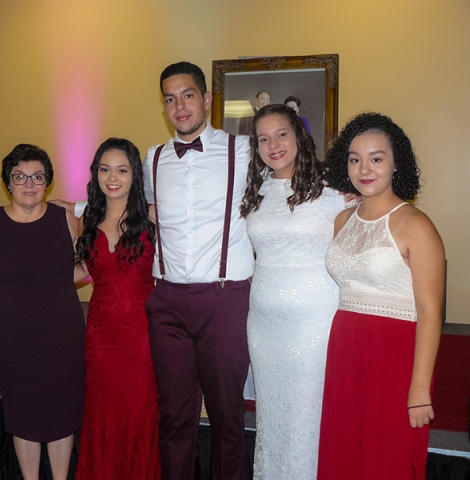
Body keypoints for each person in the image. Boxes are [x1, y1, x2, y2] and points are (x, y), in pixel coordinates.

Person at [142, 61, 254, 480]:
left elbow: (291, 182)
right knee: (174, 416)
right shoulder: (153, 159)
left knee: (227, 416)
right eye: (170, 99)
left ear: (206, 99)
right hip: (167, 302)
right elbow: (129, 208)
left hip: (225, 299)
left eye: (188, 95)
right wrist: (72, 207)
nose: (180, 106)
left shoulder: (242, 151)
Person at [318, 113, 445, 479]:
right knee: (344, 451)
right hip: (345, 350)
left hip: (394, 356)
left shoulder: (416, 224)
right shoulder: (342, 220)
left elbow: (431, 312)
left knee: (385, 457)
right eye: (355, 159)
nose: (364, 169)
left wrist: (419, 388)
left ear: (395, 163)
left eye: (376, 158)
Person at [240, 104, 347, 479]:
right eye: (263, 139)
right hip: (263, 323)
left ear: (299, 136)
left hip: (314, 321)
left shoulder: (334, 190)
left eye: (281, 134)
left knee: (306, 414)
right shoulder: (254, 191)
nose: (273, 145)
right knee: (272, 414)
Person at [0, 144, 85, 480]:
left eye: (37, 177)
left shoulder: (66, 220)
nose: (29, 184)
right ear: (8, 181)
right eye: (19, 176)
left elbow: (84, 267)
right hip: (11, 339)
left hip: (63, 335)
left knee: (61, 414)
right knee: (23, 416)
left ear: (47, 182)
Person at [74, 138, 160, 480]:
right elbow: (82, 270)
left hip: (141, 338)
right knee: (102, 415)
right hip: (99, 337)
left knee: (138, 414)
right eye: (105, 169)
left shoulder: (152, 216)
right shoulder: (88, 219)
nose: (112, 177)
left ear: (134, 175)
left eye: (122, 170)